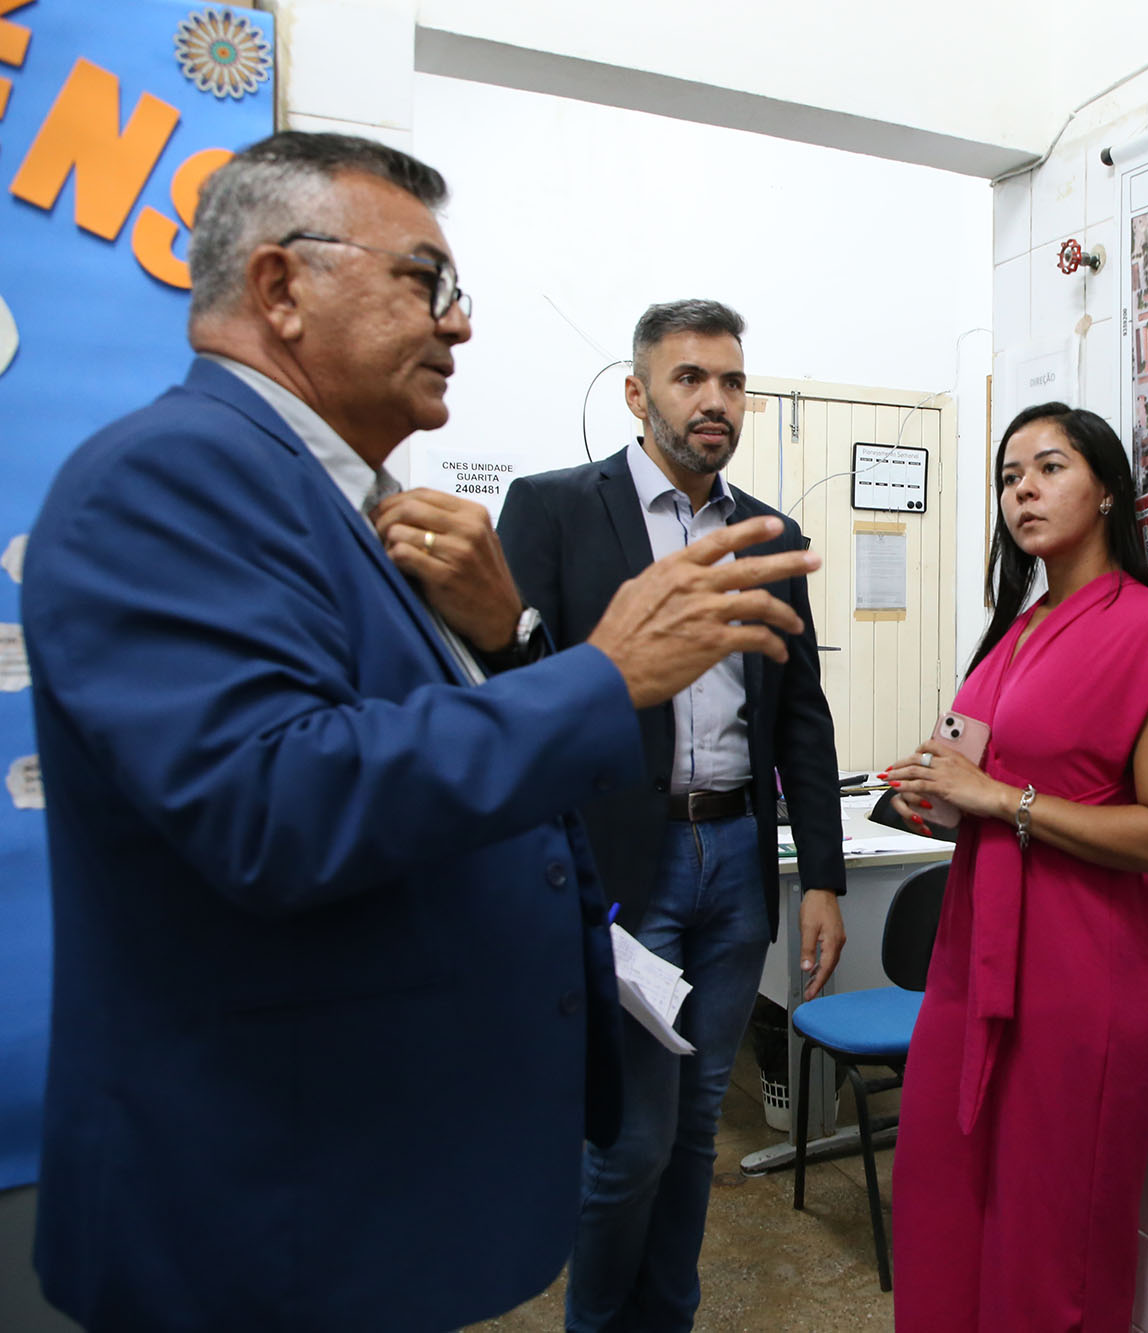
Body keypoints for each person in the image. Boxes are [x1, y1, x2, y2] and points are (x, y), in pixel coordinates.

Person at [22, 133, 820, 1333]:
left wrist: (512, 646)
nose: (459, 323)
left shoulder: (337, 501)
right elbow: (275, 803)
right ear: (280, 287)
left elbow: (414, 738)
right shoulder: (173, 476)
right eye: (424, 281)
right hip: (257, 1205)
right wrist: (600, 675)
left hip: (342, 1174)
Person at [497, 298, 846, 1333]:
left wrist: (821, 876)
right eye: (690, 377)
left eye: (732, 381)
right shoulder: (555, 510)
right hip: (622, 861)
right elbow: (511, 695)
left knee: (698, 1128)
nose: (715, 400)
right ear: (635, 391)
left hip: (737, 856)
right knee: (631, 1140)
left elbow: (801, 714)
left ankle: (668, 1317)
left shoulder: (767, 534)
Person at [883, 403, 1148, 1331]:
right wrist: (938, 798)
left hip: (1084, 971)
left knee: (1050, 1237)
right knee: (942, 1200)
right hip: (975, 955)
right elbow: (979, 783)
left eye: (1049, 467)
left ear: (1106, 489)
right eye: (1008, 476)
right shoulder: (1016, 630)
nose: (1022, 490)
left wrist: (1002, 800)